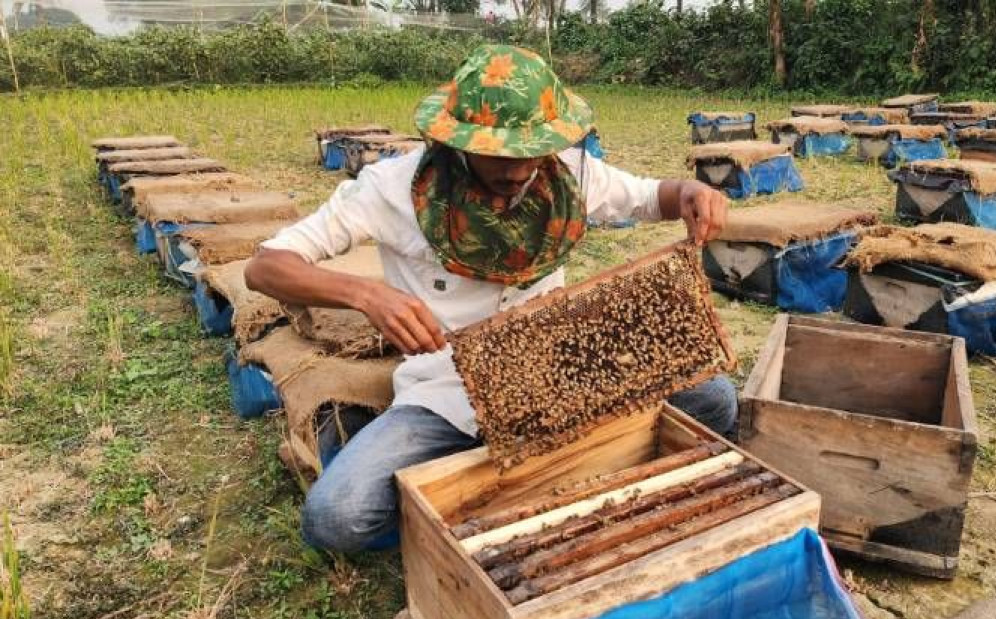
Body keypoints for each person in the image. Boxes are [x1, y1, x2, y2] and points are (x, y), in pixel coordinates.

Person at [246, 45, 735, 553]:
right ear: (458, 140)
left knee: (714, 400)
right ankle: (481, 512)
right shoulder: (389, 189)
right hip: (446, 393)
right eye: (501, 154)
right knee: (337, 517)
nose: (519, 168)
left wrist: (691, 194)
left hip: (562, 371)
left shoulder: (571, 173)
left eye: (531, 151)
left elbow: (654, 195)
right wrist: (366, 294)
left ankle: (569, 480)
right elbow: (265, 266)